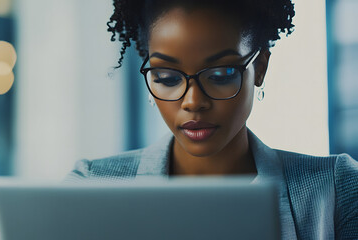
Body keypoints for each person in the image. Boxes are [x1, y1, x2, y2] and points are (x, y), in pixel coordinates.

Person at [65, 0, 358, 239]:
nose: (193, 102)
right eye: (167, 78)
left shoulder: (335, 189)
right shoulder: (91, 187)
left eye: (221, 75)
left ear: (260, 67)